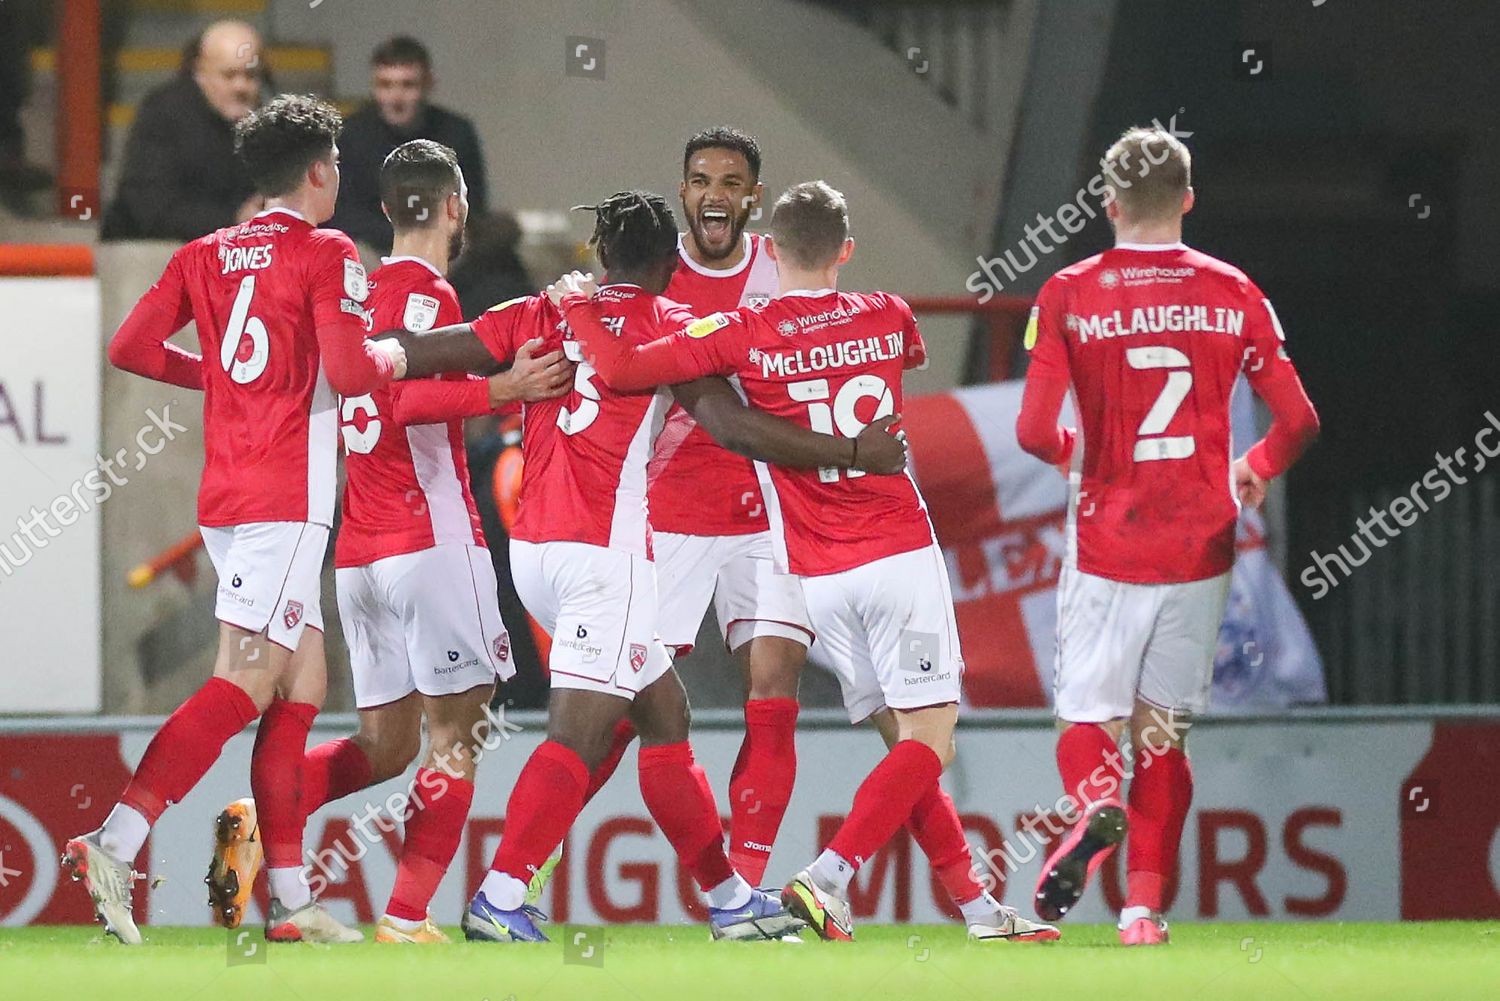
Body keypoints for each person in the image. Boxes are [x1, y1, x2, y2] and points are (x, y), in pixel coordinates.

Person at [378, 190, 905, 942]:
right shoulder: (669, 326)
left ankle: (727, 900)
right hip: (603, 554)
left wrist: (378, 351)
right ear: (669, 264)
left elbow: (441, 349)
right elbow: (731, 426)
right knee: (576, 735)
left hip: (529, 548)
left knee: (664, 715)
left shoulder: (544, 310)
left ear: (598, 252)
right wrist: (853, 454)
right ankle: (499, 893)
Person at [554, 180, 1060, 944]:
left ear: (770, 249)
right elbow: (902, 359)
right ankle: (827, 877)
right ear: (846, 250)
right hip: (897, 558)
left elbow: (625, 369)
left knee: (905, 739)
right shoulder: (889, 314)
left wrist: (583, 306)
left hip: (815, 575)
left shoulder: (743, 328)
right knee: (930, 737)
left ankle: (981, 911)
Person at [203, 140, 571, 943]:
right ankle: (407, 916)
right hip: (430, 539)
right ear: (454, 208)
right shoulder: (429, 294)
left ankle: (260, 812)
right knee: (459, 733)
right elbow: (402, 399)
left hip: (360, 553)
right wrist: (501, 387)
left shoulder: (354, 297)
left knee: (386, 744)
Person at [67, 95, 407, 946]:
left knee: (303, 685)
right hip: (285, 501)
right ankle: (115, 840)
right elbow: (349, 371)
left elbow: (132, 349)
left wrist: (220, 379)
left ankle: (288, 900)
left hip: (229, 494)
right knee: (248, 682)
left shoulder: (205, 252)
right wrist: (394, 354)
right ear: (321, 170)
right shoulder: (329, 250)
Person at [1015, 126, 1320, 945]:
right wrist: (1254, 464)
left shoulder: (1068, 292)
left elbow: (1035, 430)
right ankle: (1144, 910)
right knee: (1163, 732)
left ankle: (1095, 806)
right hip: (1201, 542)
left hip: (1111, 536)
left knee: (1087, 714)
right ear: (1187, 199)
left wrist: (1085, 461)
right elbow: (1299, 420)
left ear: (1107, 203)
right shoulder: (1235, 291)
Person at [581, 127, 810, 887]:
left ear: (754, 196)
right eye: (702, 179)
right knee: (624, 702)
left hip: (769, 508)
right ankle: (537, 855)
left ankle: (744, 884)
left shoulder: (784, 268)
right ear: (683, 193)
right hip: (670, 508)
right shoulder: (652, 273)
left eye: (731, 180)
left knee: (773, 692)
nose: (715, 192)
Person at [102, 20, 265, 241]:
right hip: (154, 252)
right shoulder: (163, 114)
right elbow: (148, 205)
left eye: (251, 76)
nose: (240, 87)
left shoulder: (266, 124)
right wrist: (234, 219)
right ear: (199, 72)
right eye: (229, 75)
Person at [327, 36, 488, 254]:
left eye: (408, 85)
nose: (396, 97)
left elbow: (473, 208)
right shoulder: (352, 136)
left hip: (442, 248)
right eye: (385, 85)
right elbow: (343, 214)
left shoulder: (457, 133)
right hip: (373, 251)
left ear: (429, 84)